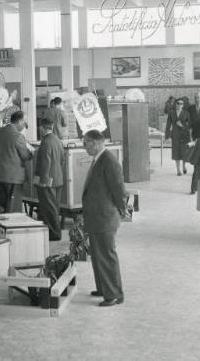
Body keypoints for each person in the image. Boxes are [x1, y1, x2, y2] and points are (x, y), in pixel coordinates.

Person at [82, 130, 127, 307]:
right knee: (97, 255)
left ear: (96, 143)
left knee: (106, 255)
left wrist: (122, 210)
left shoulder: (109, 161)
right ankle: (103, 288)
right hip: (96, 216)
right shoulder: (99, 159)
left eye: (86, 143)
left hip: (104, 216)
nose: (84, 146)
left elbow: (119, 189)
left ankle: (114, 294)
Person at [0, 110, 34, 212]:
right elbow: (25, 156)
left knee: (2, 206)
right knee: (13, 209)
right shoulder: (18, 136)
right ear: (19, 121)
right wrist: (31, 152)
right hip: (13, 177)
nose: (24, 127)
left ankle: (1, 227)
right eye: (24, 123)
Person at [34, 118, 64, 241]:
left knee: (49, 208)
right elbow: (62, 159)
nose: (38, 129)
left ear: (42, 127)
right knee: (54, 207)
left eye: (39, 127)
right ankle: (55, 232)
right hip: (57, 179)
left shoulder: (46, 142)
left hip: (48, 181)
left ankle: (54, 234)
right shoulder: (57, 140)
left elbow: (45, 162)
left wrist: (43, 181)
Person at [165, 98, 191, 176]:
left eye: (181, 104)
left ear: (183, 105)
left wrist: (182, 125)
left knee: (184, 152)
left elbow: (189, 124)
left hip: (184, 135)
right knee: (176, 152)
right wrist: (167, 136)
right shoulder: (171, 113)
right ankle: (178, 170)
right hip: (175, 135)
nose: (179, 105)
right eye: (178, 103)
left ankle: (183, 166)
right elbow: (168, 125)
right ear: (175, 104)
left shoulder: (186, 113)